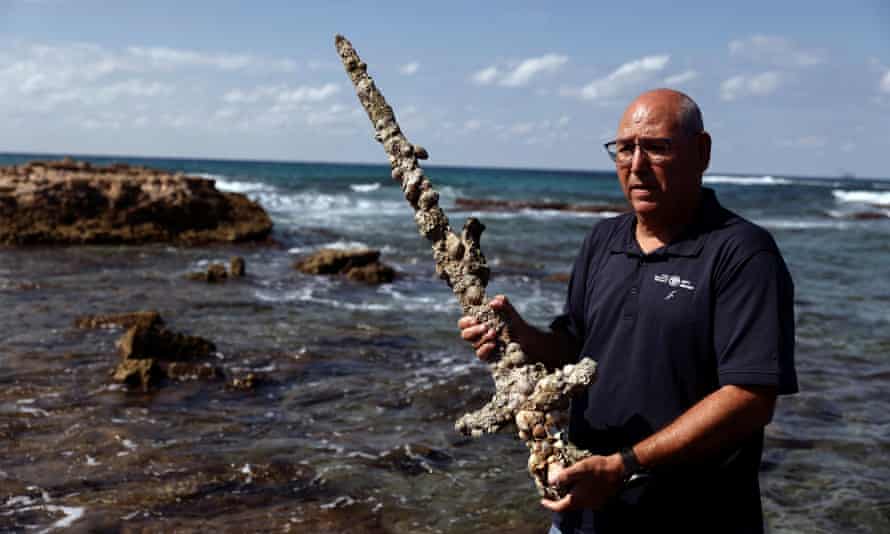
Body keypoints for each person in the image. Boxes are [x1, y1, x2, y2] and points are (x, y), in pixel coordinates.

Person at [458, 89, 798, 533]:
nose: (636, 166)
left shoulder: (742, 254)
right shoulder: (602, 241)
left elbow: (750, 398)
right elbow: (574, 348)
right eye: (624, 148)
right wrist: (521, 335)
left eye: (656, 147)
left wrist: (623, 467)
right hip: (584, 512)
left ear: (702, 152)